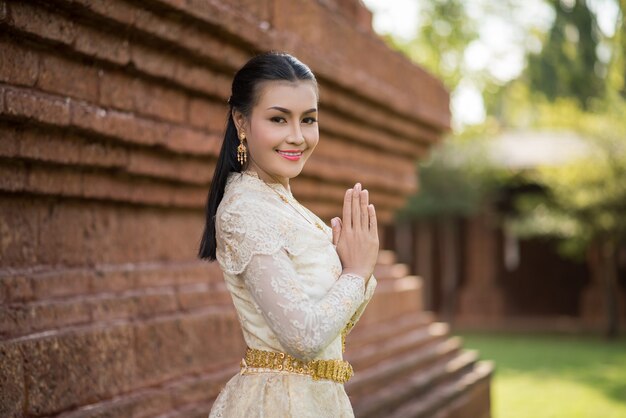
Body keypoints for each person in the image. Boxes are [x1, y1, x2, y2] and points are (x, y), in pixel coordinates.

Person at [198, 51, 379, 418]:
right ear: (241, 121)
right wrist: (355, 273)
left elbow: (330, 332)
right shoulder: (245, 210)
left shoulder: (282, 205)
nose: (297, 137)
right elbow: (303, 338)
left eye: (308, 120)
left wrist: (350, 268)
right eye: (279, 119)